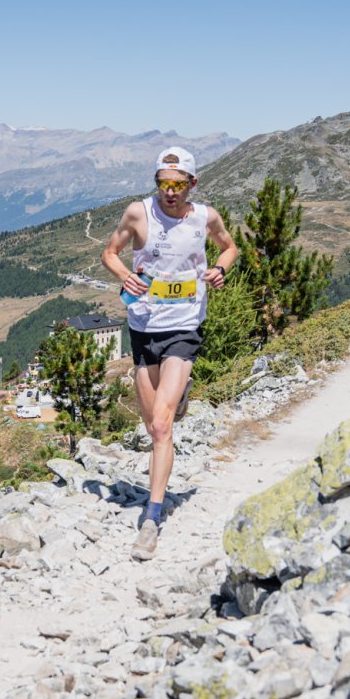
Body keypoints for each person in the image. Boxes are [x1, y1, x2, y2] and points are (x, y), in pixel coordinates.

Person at [103, 145, 237, 560]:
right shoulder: (137, 213)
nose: (171, 192)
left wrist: (220, 268)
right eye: (164, 184)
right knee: (151, 422)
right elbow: (109, 252)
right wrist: (127, 274)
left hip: (184, 326)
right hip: (144, 327)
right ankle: (175, 400)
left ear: (192, 184)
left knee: (162, 427)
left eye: (179, 185)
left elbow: (229, 247)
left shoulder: (205, 217)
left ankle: (152, 517)